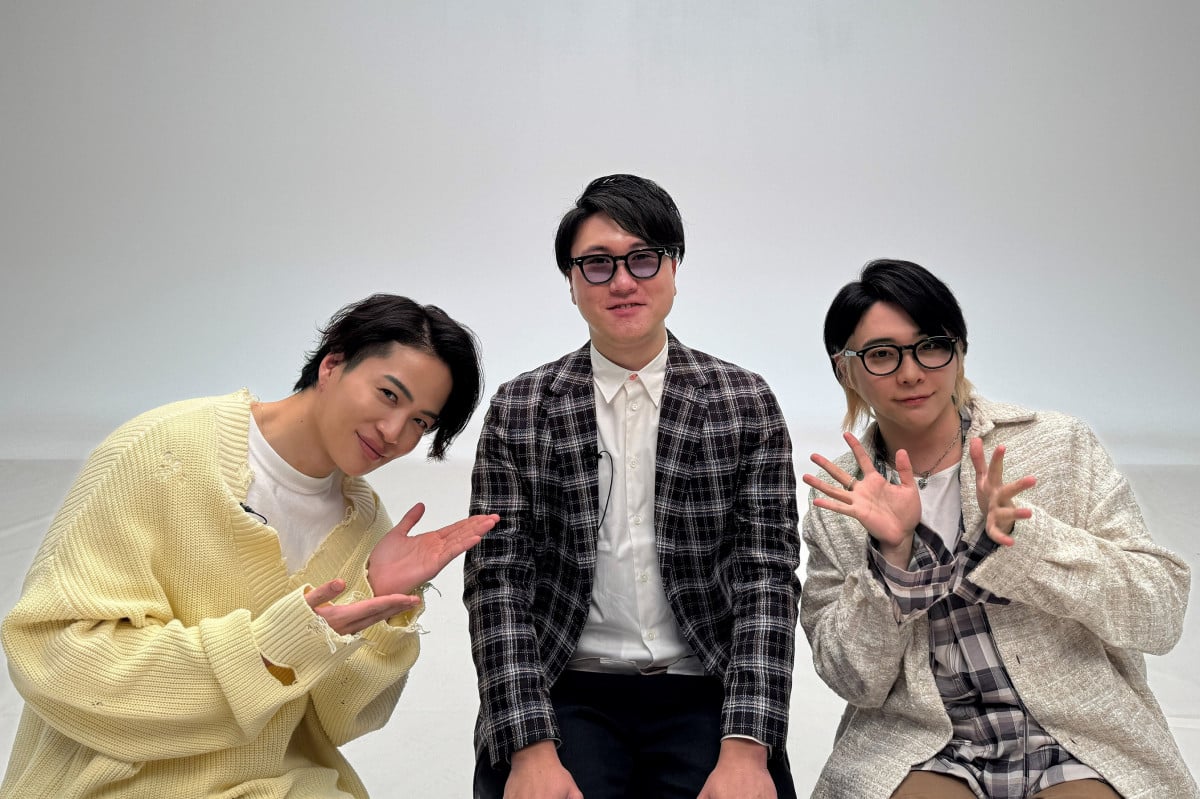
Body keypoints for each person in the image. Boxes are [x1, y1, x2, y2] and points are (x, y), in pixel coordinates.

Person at [0, 294, 499, 798]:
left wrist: (380, 603)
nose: (394, 433)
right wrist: (267, 648)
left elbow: (339, 724)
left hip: (275, 784)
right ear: (332, 364)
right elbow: (52, 658)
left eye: (420, 422)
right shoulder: (163, 451)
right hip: (110, 782)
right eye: (389, 395)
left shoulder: (366, 531)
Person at [800, 259, 1196, 799]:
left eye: (931, 346)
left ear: (959, 351)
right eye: (882, 355)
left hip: (1076, 736)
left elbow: (1160, 613)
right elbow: (853, 681)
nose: (911, 373)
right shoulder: (839, 497)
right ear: (845, 370)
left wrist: (1026, 543)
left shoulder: (1057, 445)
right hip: (921, 742)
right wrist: (890, 558)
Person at [464, 174, 802, 799]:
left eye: (643, 258)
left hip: (705, 685)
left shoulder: (743, 400)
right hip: (564, 684)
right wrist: (530, 750)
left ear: (674, 268)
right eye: (597, 264)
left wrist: (747, 748)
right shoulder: (521, 406)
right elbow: (497, 582)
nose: (622, 282)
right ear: (571, 282)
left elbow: (767, 578)